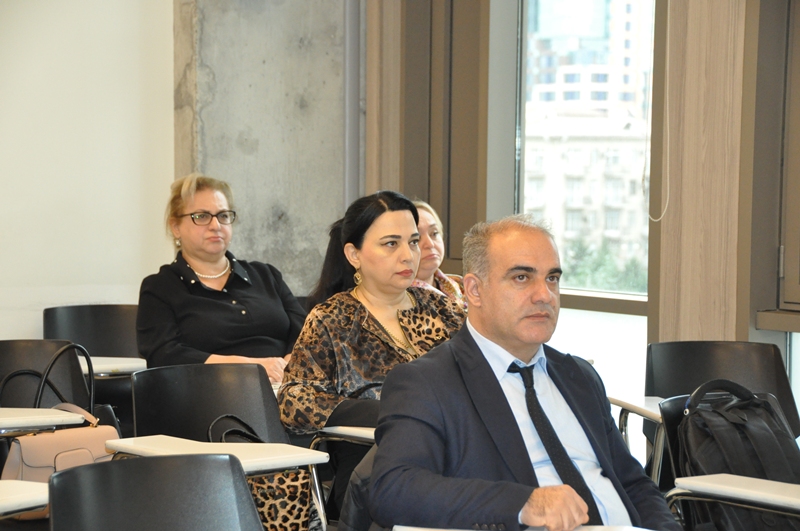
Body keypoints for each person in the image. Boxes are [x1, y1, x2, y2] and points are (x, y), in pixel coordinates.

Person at [369, 214, 681, 531]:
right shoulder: (429, 382)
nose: (544, 295)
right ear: (474, 291)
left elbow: (633, 484)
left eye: (552, 278)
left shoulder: (578, 375)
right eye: (522, 278)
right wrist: (524, 503)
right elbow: (393, 489)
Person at [279, 190, 465, 515]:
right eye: (391, 244)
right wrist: (388, 412)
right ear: (354, 254)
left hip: (456, 455)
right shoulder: (332, 319)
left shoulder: (444, 310)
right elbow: (294, 400)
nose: (408, 256)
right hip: (374, 466)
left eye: (413, 242)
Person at [137, 173, 306, 383]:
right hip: (211, 391)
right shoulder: (160, 287)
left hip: (288, 387)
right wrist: (251, 368)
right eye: (201, 216)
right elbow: (164, 355)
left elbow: (307, 331)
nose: (215, 225)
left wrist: (289, 368)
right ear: (175, 227)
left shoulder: (266, 275)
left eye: (223, 216)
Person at [410, 200, 466, 308]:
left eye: (434, 233)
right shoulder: (398, 300)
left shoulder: (460, 286)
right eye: (417, 238)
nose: (430, 244)